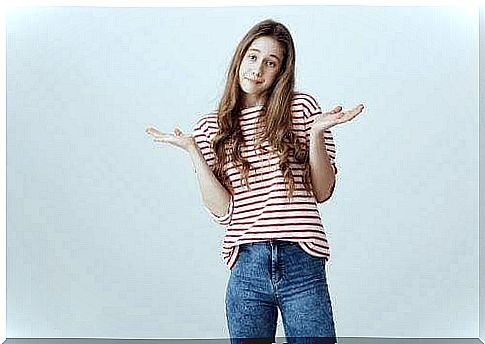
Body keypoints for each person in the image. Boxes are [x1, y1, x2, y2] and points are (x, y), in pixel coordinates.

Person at [145, 19, 364, 344]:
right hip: (246, 267)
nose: (258, 68)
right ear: (240, 57)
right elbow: (223, 212)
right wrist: (193, 151)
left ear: (281, 72)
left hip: (301, 261)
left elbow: (323, 191)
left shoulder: (301, 109)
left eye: (270, 62)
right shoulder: (211, 127)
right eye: (253, 56)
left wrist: (316, 133)